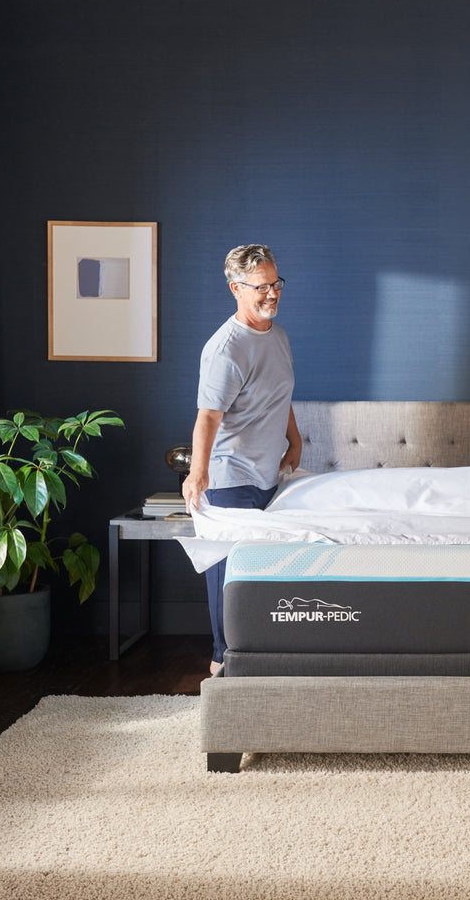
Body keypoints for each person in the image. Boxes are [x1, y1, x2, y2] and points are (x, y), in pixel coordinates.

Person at [183, 244, 302, 676]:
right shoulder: (226, 349)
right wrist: (198, 473)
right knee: (229, 582)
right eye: (261, 287)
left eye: (276, 283)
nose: (272, 293)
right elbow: (208, 417)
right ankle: (220, 667)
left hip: (268, 477)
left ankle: (255, 671)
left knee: (259, 580)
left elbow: (279, 395)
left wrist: (295, 441)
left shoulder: (278, 336)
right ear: (236, 288)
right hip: (231, 479)